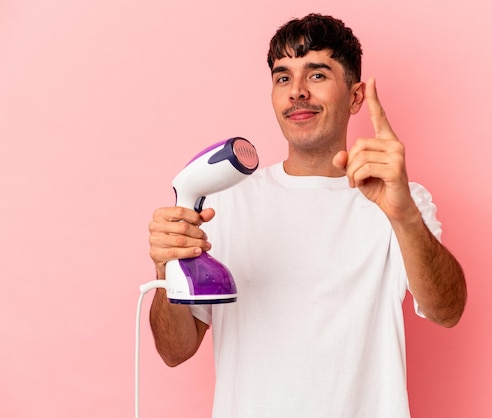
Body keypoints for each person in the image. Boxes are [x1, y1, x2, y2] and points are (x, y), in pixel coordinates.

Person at [148, 13, 466, 417]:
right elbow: (175, 351)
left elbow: (447, 310)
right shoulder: (223, 204)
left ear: (355, 97)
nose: (296, 92)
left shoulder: (401, 200)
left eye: (316, 75)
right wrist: (167, 267)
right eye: (283, 78)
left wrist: (403, 216)